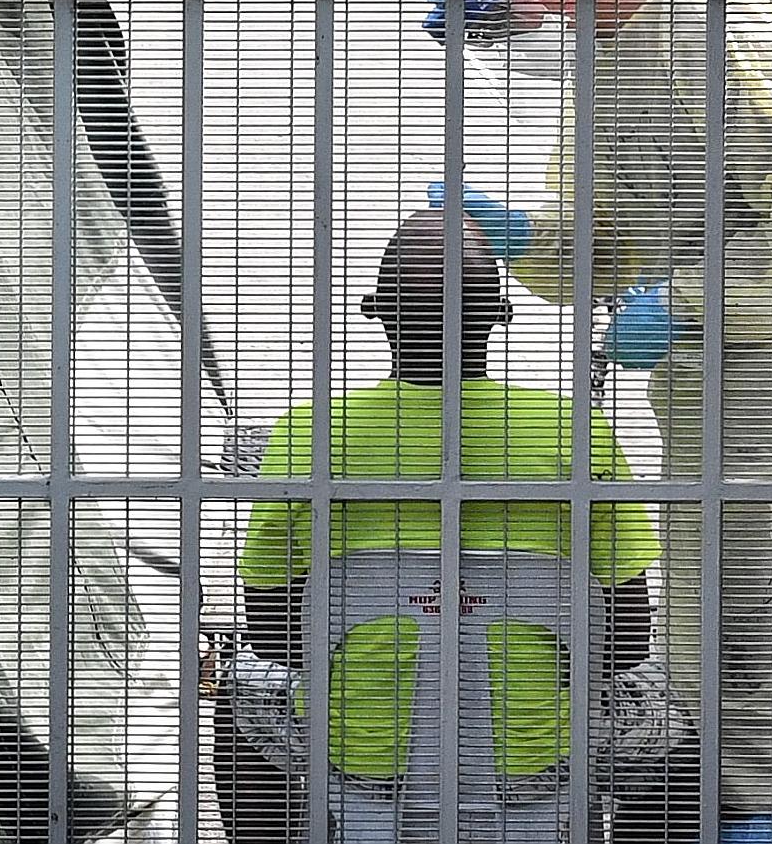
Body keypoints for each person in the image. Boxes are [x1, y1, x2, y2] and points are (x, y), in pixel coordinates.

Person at [425, 0, 772, 843]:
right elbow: (601, 243)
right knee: (707, 643)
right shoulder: (601, 58)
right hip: (698, 400)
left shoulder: (714, 23)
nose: (509, 45)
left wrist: (687, 305)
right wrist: (522, 233)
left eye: (495, 22)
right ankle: (728, 814)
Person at [237, 210, 662, 840]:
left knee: (236, 691)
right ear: (498, 316)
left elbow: (276, 642)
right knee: (665, 711)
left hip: (360, 766)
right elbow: (624, 642)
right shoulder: (578, 434)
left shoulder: (309, 433)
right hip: (538, 765)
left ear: (377, 310)